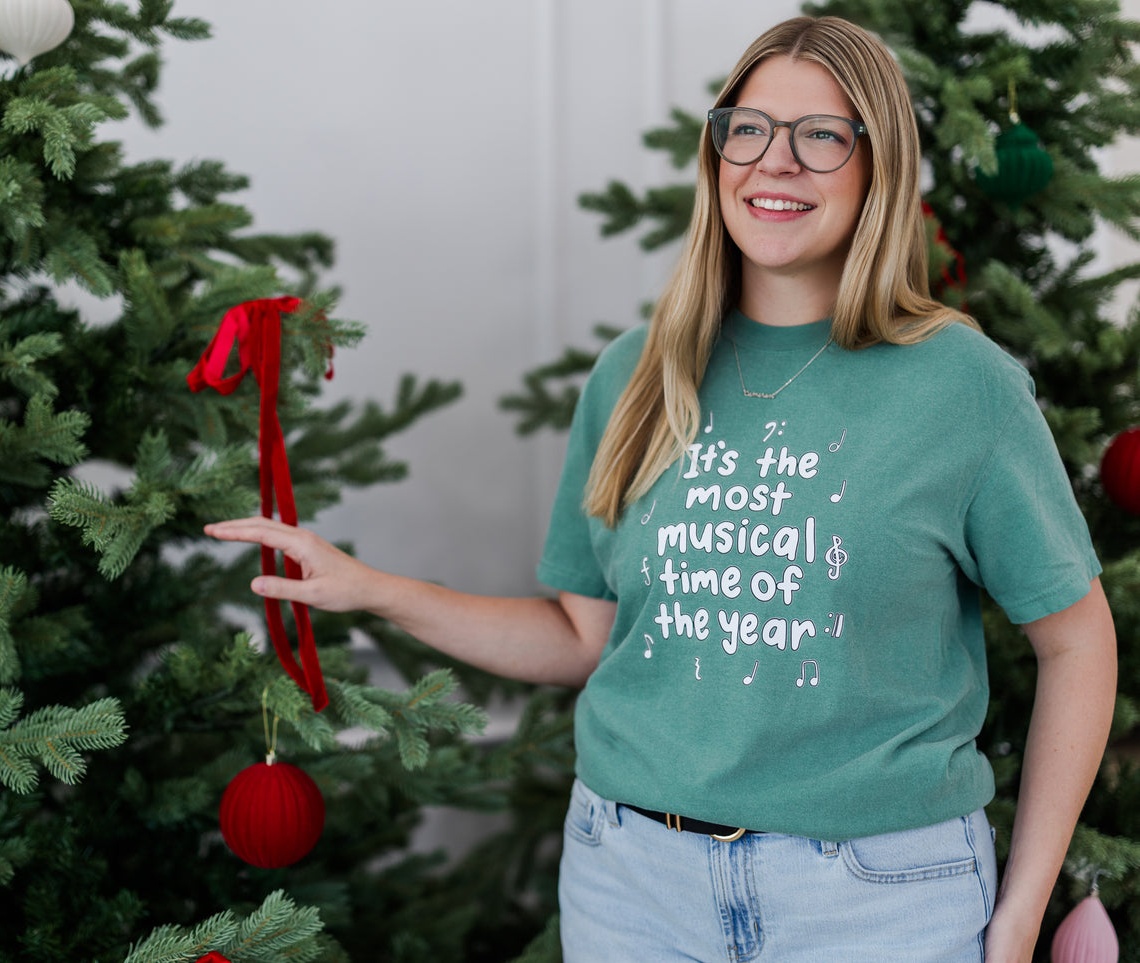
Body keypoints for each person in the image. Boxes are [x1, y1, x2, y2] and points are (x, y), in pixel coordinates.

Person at [206, 15, 1116, 962]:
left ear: (876, 166)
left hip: (876, 898)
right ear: (716, 154)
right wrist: (371, 589)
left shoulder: (957, 385)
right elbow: (580, 636)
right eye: (748, 129)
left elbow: (1077, 638)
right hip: (631, 883)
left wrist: (1017, 910)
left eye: (820, 136)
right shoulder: (639, 372)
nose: (775, 163)